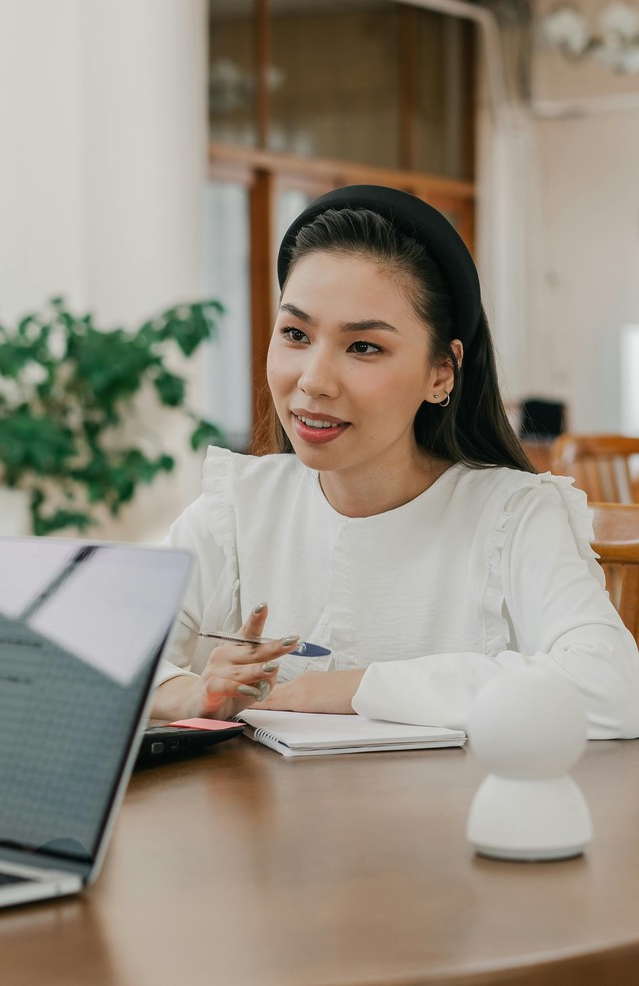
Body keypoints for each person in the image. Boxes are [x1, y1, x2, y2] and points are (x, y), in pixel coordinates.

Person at [150, 185, 639, 739]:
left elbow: (613, 688)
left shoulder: (514, 515)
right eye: (295, 333)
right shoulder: (236, 508)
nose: (313, 380)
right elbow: (104, 659)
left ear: (441, 373)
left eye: (364, 347)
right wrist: (193, 693)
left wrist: (353, 688)